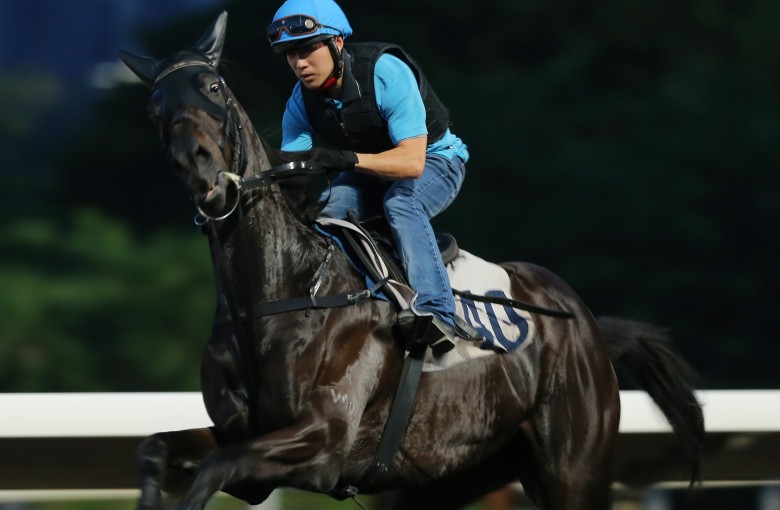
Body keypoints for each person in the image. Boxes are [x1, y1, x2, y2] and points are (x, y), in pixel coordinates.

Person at [267, 0, 469, 349]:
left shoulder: (385, 71)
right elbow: (291, 177)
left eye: (308, 49)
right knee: (324, 216)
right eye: (289, 54)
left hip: (437, 161)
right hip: (370, 172)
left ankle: (437, 312)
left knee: (401, 204)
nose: (299, 63)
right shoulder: (300, 102)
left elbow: (411, 164)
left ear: (338, 44)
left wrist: (345, 158)